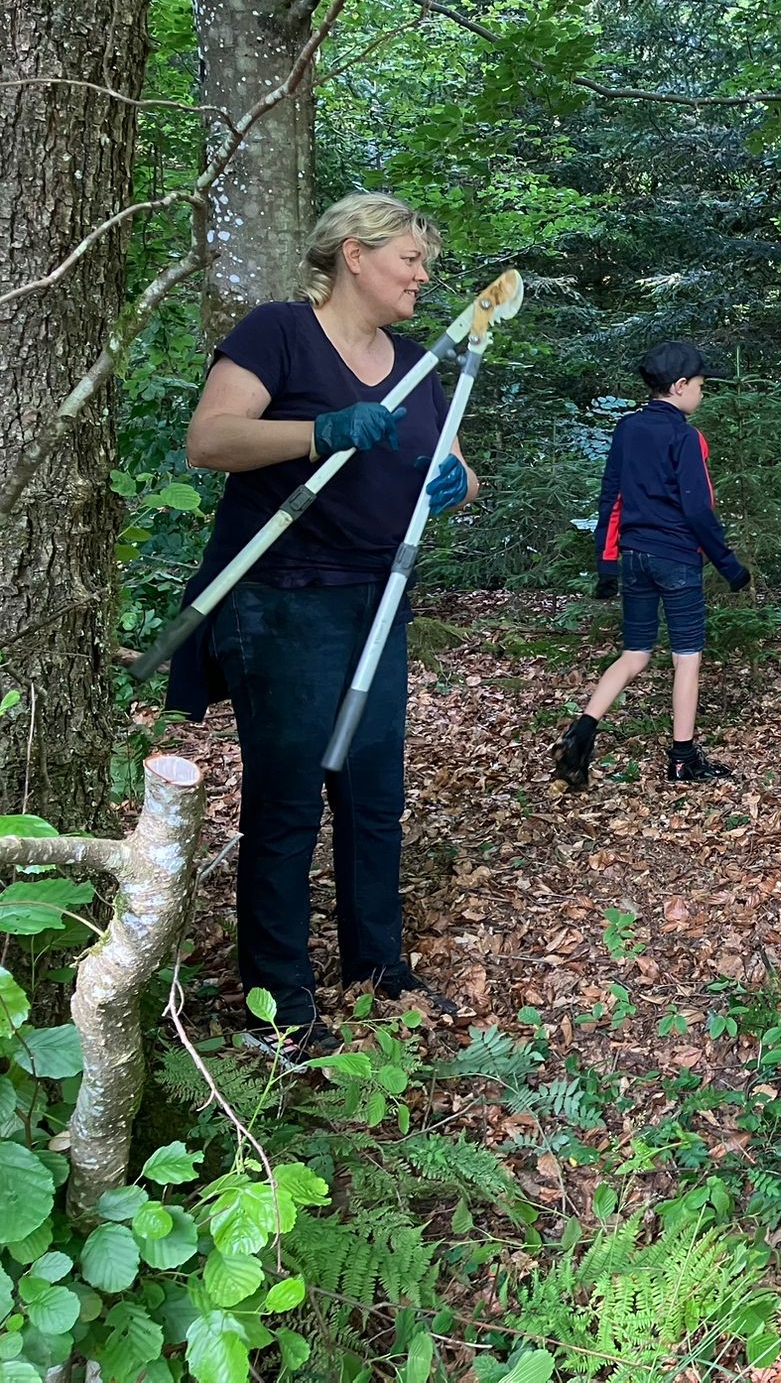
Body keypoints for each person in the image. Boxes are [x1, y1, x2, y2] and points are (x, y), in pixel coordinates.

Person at [170, 192, 476, 1062]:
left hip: (376, 600)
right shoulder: (279, 332)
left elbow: (457, 464)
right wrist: (319, 431)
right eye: (410, 258)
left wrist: (456, 484)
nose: (423, 275)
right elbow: (210, 439)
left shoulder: (417, 363)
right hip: (278, 599)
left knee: (374, 794)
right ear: (353, 253)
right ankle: (278, 1008)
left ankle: (378, 966)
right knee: (290, 798)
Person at [549, 339, 750, 789]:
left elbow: (611, 497)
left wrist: (607, 563)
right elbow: (698, 509)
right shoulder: (686, 437)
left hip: (634, 557)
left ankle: (581, 734)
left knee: (635, 654)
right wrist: (729, 566)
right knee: (687, 658)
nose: (701, 393)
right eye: (700, 385)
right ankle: (682, 760)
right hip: (676, 558)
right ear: (679, 386)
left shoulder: (627, 429)